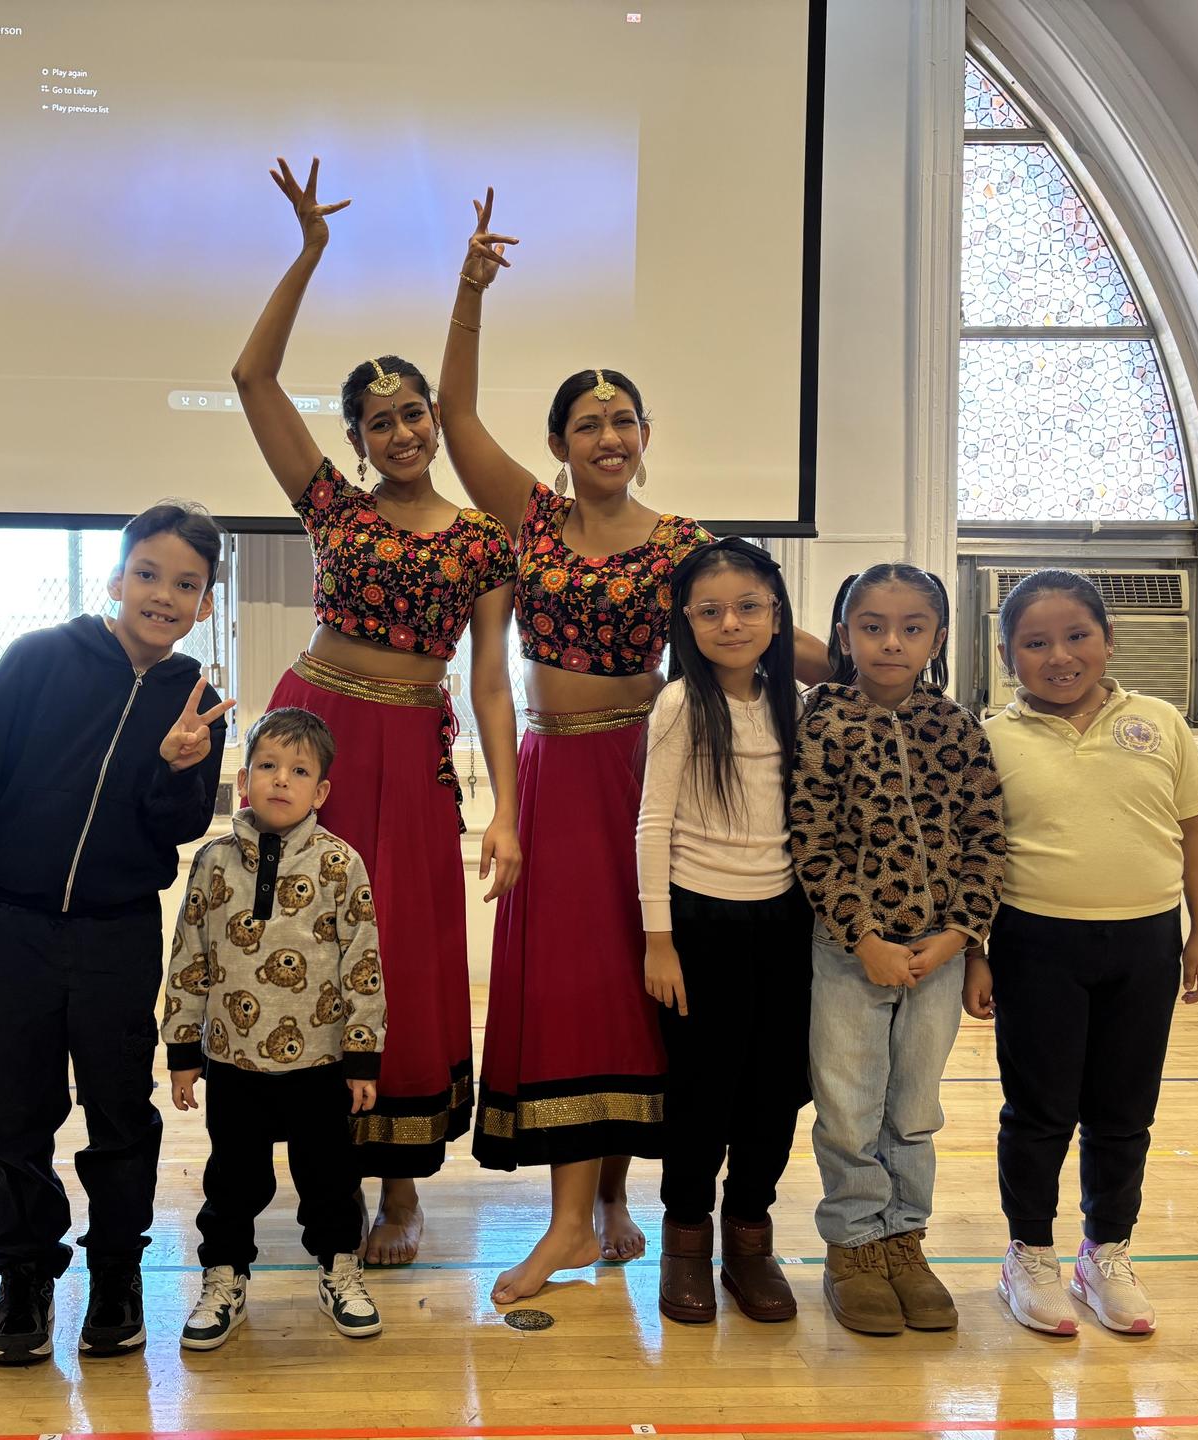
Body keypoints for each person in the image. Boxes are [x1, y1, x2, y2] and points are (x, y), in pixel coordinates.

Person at [439, 189, 832, 1305]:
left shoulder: (683, 545)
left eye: (625, 423)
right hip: (560, 774)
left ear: (645, 438)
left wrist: (866, 665)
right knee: (578, 988)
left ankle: (617, 1199)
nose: (607, 439)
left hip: (660, 770)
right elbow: (459, 412)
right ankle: (574, 1220)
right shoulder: (528, 519)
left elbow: (759, 622)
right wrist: (469, 293)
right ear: (560, 447)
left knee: (647, 985)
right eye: (586, 426)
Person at [231, 157, 522, 1265]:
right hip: (311, 733)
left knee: (396, 950)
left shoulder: (483, 540)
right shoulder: (331, 507)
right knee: (291, 936)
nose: (403, 432)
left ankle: (400, 1187)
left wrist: (503, 807)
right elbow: (254, 380)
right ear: (354, 436)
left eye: (415, 415)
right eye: (380, 420)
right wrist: (307, 256)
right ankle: (323, 1171)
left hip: (412, 750)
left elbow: (491, 678)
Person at [0, 500, 233, 1365]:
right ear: (116, 578)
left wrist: (177, 769)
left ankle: (116, 1273)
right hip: (16, 926)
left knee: (118, 1114)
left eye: (186, 585)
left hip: (118, 934)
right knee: (16, 1108)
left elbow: (172, 829)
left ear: (206, 604)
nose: (163, 595)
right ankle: (24, 1275)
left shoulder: (198, 702)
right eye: (148, 575)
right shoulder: (38, 659)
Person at [974, 569, 1198, 1337]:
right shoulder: (989, 736)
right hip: (1036, 942)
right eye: (1036, 642)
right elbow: (971, 854)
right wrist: (977, 952)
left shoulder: (1159, 722)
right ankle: (1031, 1255)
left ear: (1109, 639)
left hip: (1144, 943)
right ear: (1008, 653)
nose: (1060, 655)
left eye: (1077, 636)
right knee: (1040, 1110)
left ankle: (1104, 1252)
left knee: (1124, 1112)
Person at [789, 564, 1005, 1336]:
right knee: (849, 1108)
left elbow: (987, 841)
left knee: (913, 1109)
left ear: (937, 638)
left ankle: (905, 1241)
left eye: (912, 627)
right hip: (851, 953)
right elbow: (810, 841)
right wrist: (865, 938)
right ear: (844, 634)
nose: (891, 641)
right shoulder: (821, 722)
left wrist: (958, 935)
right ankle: (853, 1247)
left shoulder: (957, 728)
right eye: (872, 625)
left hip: (939, 956)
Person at [163, 708, 389, 1350]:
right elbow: (189, 956)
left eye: (298, 771)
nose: (280, 780)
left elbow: (363, 963)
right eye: (267, 766)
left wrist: (362, 1055)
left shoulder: (342, 865)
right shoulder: (212, 863)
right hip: (235, 1065)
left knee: (329, 1178)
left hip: (319, 1065)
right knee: (232, 1180)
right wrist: (182, 1047)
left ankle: (340, 1267)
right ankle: (224, 1275)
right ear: (243, 779)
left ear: (320, 792)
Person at [636, 539, 809, 1325]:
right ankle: (684, 1240)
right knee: (702, 1093)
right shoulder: (679, 703)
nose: (730, 623)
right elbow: (652, 827)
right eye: (710, 611)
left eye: (747, 607)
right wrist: (659, 940)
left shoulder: (790, 699)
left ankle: (748, 1237)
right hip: (700, 925)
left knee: (774, 1092)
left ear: (776, 615)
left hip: (783, 925)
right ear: (686, 622)